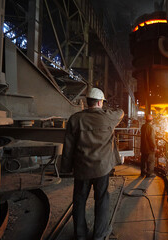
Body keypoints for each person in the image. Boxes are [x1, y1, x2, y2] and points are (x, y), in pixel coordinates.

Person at [61, 87, 124, 240]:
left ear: (86, 102)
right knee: (101, 199)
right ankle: (100, 235)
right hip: (101, 169)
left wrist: (66, 168)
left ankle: (80, 235)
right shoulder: (108, 117)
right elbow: (121, 112)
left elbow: (68, 147)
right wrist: (106, 109)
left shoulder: (75, 119)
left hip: (82, 168)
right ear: (100, 102)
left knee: (79, 200)